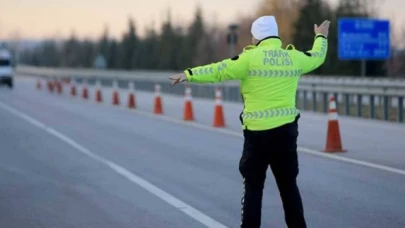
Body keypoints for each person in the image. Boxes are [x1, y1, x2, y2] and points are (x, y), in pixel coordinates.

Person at [169, 15, 330, 228]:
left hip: (257, 136)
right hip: (286, 135)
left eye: (253, 37)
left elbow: (218, 70)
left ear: (257, 38)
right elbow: (316, 57)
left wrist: (189, 74)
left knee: (254, 189)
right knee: (289, 187)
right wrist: (321, 36)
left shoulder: (248, 59)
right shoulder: (293, 57)